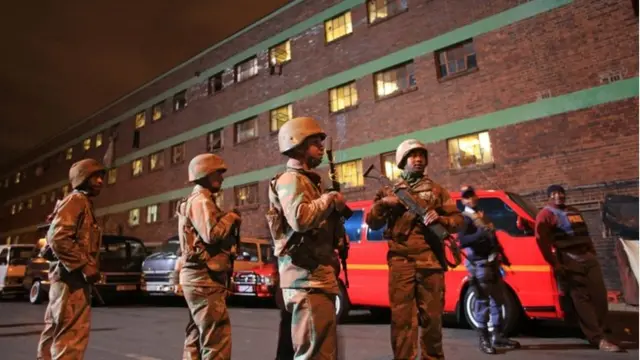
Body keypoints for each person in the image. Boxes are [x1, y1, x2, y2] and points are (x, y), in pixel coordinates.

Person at [365, 139, 464, 360]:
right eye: (412, 156)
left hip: (431, 262)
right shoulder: (388, 190)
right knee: (402, 320)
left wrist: (441, 219)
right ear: (402, 161)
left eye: (421, 155)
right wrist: (383, 204)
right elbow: (371, 222)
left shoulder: (437, 191)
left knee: (433, 319)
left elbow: (458, 220)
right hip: (401, 262)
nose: (418, 159)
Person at [266, 116, 346, 359]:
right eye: (314, 142)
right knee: (312, 352)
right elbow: (300, 219)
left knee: (323, 351)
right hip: (305, 279)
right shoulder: (291, 179)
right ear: (298, 144)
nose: (321, 147)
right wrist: (330, 199)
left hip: (318, 277)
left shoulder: (310, 182)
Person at [535, 184, 623, 352]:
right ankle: (597, 338)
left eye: (560, 193)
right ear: (548, 197)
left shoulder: (574, 211)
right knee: (582, 300)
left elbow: (585, 233)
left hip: (588, 258)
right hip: (569, 260)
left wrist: (592, 252)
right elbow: (542, 243)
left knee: (599, 296)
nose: (558, 196)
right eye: (554, 194)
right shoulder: (545, 215)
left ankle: (599, 327)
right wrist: (556, 264)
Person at [37, 158, 106, 360]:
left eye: (101, 176)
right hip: (71, 280)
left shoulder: (81, 202)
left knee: (56, 328)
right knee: (71, 334)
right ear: (82, 179)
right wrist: (84, 265)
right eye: (95, 177)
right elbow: (58, 237)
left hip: (69, 277)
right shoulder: (76, 200)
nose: (101, 181)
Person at [176, 153, 242, 360]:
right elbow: (211, 234)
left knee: (196, 336)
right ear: (204, 174)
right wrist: (231, 217)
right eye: (218, 173)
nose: (222, 178)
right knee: (217, 339)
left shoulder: (196, 199)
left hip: (199, 278)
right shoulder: (201, 200)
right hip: (204, 279)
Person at [457, 185, 520, 354]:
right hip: (479, 264)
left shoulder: (481, 215)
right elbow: (462, 241)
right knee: (482, 303)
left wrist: (502, 255)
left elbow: (493, 237)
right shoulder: (465, 218)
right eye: (467, 197)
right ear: (463, 200)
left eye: (472, 196)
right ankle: (484, 339)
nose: (471, 199)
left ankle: (498, 336)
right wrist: (482, 232)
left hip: (492, 262)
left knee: (498, 300)